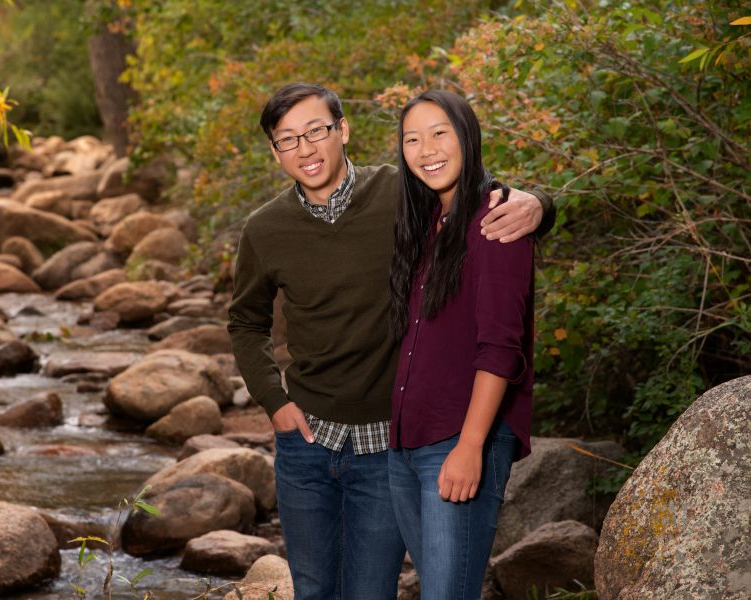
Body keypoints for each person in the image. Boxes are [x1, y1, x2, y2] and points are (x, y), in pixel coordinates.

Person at [227, 83, 553, 600]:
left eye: (316, 131)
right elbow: (245, 323)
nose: (306, 150)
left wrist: (538, 204)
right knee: (313, 589)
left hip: (388, 444)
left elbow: (472, 194)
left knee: (370, 592)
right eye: (288, 140)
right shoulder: (265, 228)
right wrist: (274, 401)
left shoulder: (401, 194)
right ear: (275, 151)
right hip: (307, 442)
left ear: (343, 130)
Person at [387, 90, 535, 599]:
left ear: (467, 136)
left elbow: (501, 348)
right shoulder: (426, 222)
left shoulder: (497, 220)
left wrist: (470, 447)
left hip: (459, 441)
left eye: (439, 132)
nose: (425, 148)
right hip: (406, 444)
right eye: (411, 138)